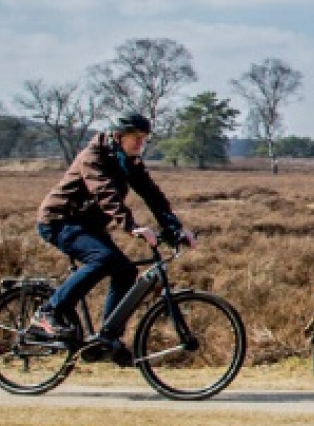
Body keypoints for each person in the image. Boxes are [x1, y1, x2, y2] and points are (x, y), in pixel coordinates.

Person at [30, 112, 197, 363]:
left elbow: (153, 196)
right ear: (118, 137)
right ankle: (48, 312)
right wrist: (131, 226)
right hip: (59, 221)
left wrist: (175, 227)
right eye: (136, 138)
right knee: (103, 259)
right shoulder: (93, 157)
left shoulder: (129, 161)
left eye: (144, 138)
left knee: (126, 271)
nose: (140, 144)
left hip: (88, 225)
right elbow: (105, 194)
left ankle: (107, 338)